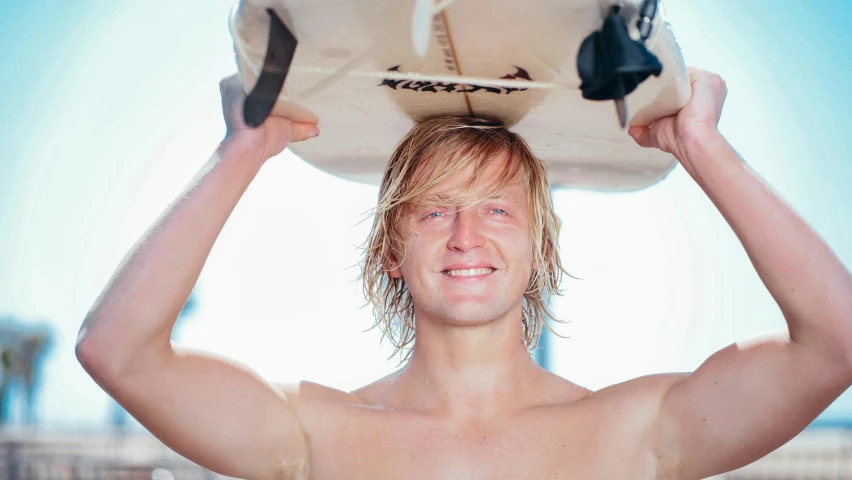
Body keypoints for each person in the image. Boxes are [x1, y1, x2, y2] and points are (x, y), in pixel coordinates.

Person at [75, 68, 852, 480]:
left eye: (498, 210)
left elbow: (835, 342)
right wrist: (240, 148)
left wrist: (702, 147)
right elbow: (117, 352)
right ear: (391, 248)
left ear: (541, 249)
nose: (466, 235)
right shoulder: (313, 435)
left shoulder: (638, 430)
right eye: (434, 210)